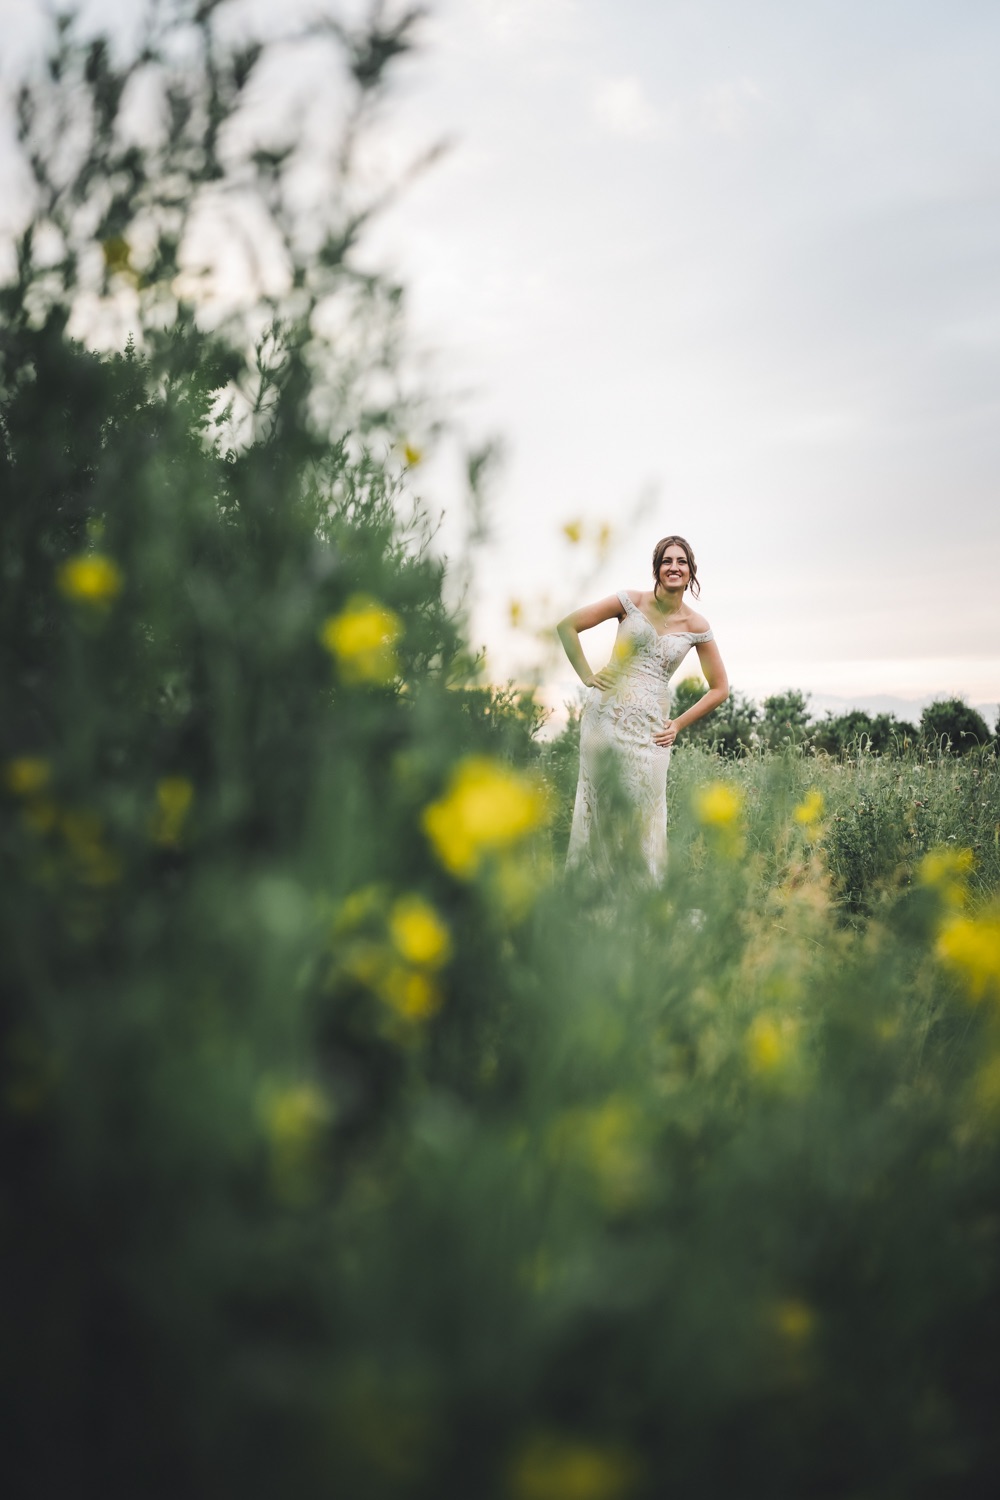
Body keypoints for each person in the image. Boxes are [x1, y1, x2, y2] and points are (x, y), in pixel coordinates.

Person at [556, 535, 729, 881]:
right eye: (667, 561)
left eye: (681, 562)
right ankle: (594, 898)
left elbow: (720, 688)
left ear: (691, 572)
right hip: (605, 720)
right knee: (602, 806)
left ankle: (638, 902)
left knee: (645, 812)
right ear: (657, 569)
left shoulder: (697, 626)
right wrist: (588, 675)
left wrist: (677, 724)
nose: (674, 567)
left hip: (652, 731)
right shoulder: (629, 601)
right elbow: (567, 626)